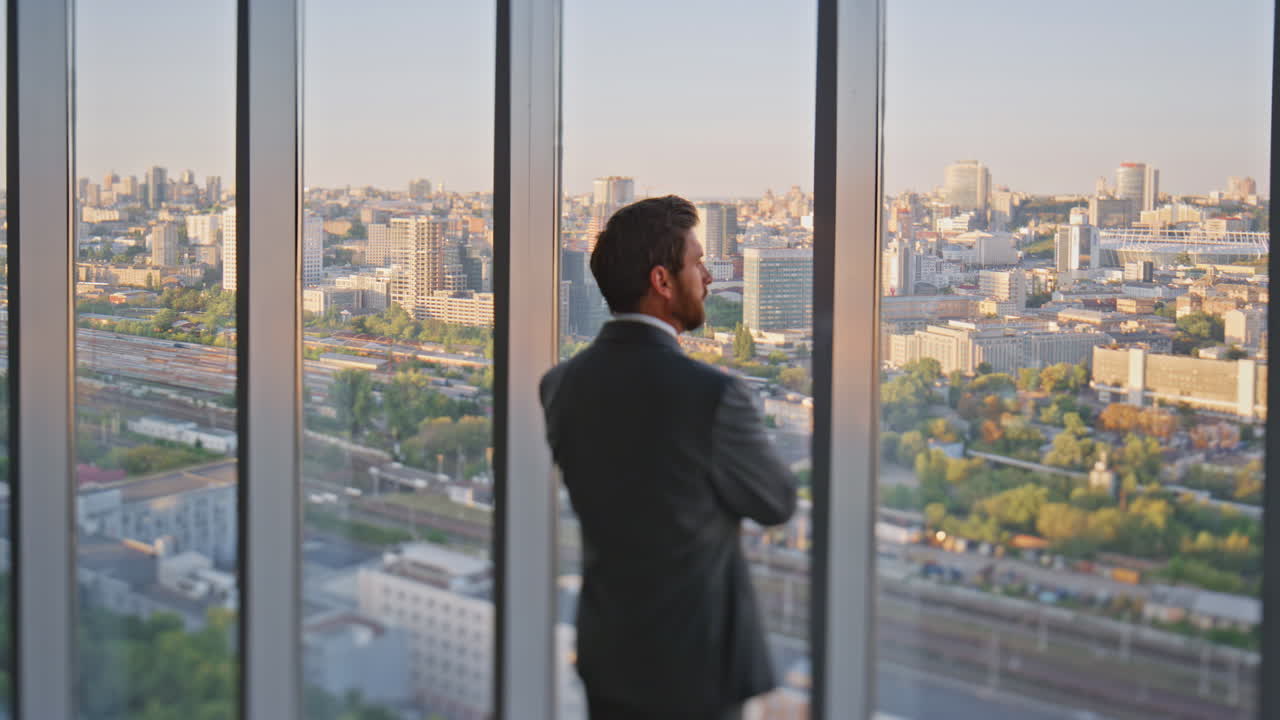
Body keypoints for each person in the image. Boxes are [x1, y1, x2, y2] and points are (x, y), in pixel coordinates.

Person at [540, 195, 797, 719]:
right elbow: (775, 502)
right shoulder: (711, 396)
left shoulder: (560, 385)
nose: (707, 277)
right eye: (697, 263)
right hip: (697, 667)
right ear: (662, 281)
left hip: (609, 656)